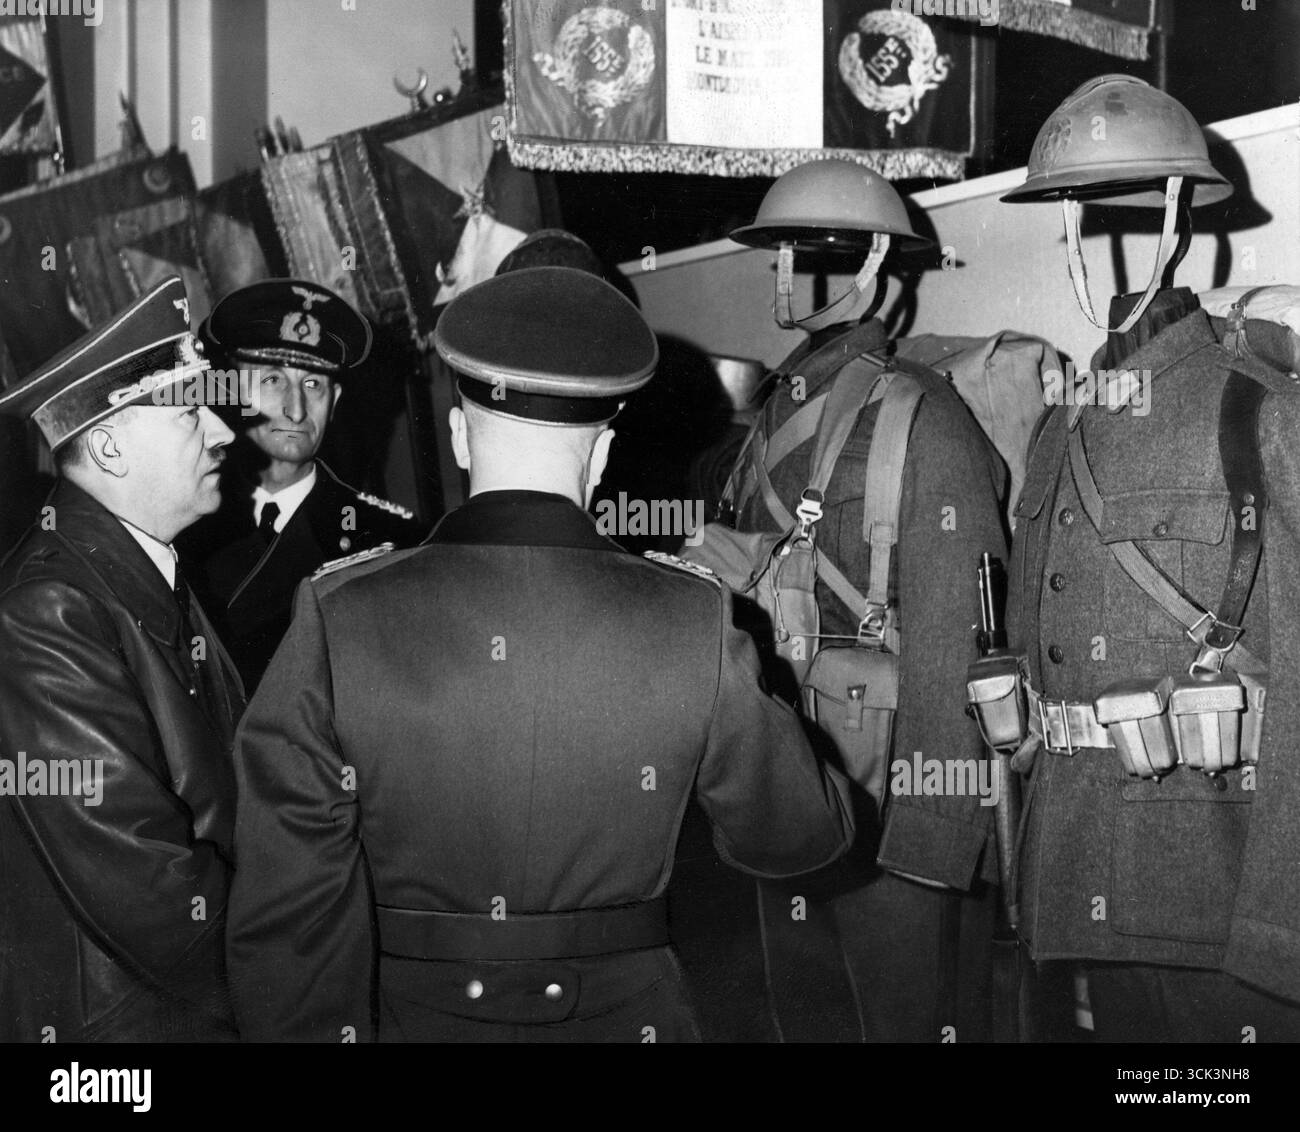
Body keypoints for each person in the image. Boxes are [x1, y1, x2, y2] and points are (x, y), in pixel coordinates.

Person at [225, 265, 855, 1042]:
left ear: (459, 439)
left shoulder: (339, 615)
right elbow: (800, 839)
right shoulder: (690, 618)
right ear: (602, 456)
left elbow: (285, 916)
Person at [1001, 74, 1300, 1041]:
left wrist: (1280, 930)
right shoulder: (1061, 424)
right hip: (1077, 872)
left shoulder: (1258, 408)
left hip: (1217, 891)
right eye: (1073, 215)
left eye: (1105, 207)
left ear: (1178, 216)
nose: (1088, 240)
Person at [722, 158, 1008, 1042]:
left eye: (821, 255)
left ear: (880, 269)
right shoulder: (774, 414)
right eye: (789, 255)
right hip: (792, 807)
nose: (798, 273)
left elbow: (963, 649)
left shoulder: (927, 420)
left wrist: (927, 859)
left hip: (891, 829)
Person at [0, 277, 244, 1041]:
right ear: (105, 445)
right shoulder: (47, 611)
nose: (226, 431)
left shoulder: (143, 567)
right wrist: (298, 977)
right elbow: (150, 888)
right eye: (189, 411)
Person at [186, 279, 426, 693]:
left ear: (334, 403)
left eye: (312, 385)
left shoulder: (389, 540)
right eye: (273, 380)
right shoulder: (183, 522)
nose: (296, 409)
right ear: (232, 391)